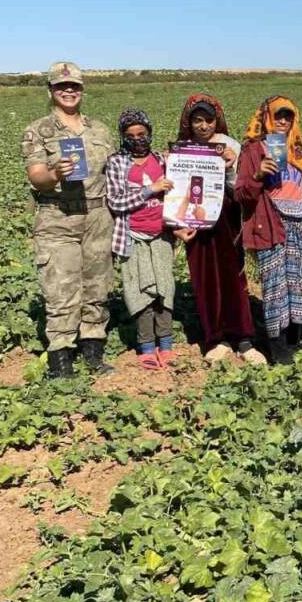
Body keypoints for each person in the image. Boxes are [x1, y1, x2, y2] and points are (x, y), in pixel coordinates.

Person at [21, 61, 116, 377]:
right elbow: (36, 176)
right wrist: (53, 173)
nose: (68, 91)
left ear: (82, 90)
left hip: (98, 214)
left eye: (74, 85)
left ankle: (93, 351)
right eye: (62, 86)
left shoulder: (99, 129)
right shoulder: (39, 130)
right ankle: (60, 360)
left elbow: (117, 171)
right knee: (61, 287)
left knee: (97, 286)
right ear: (51, 90)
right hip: (58, 215)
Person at [176, 94, 265, 364]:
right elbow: (177, 191)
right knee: (204, 279)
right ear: (188, 123)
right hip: (195, 221)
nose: (204, 126)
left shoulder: (230, 146)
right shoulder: (182, 149)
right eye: (197, 120)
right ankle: (217, 338)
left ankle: (244, 337)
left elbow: (242, 188)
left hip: (227, 217)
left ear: (218, 120)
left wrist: (229, 166)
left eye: (209, 120)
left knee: (233, 276)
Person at [237, 95, 302, 364]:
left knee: (295, 285)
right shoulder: (252, 150)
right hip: (269, 223)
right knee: (274, 288)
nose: (283, 121)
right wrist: (258, 176)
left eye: (288, 116)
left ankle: (293, 343)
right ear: (267, 117)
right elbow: (242, 195)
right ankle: (279, 350)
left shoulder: (299, 152)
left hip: (298, 225)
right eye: (278, 115)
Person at [104, 109, 177, 369]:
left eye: (142, 134)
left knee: (164, 288)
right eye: (131, 135)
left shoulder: (162, 159)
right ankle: (146, 345)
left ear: (149, 133)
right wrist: (150, 190)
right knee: (139, 292)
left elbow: (178, 193)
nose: (137, 140)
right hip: (131, 236)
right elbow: (114, 201)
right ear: (123, 137)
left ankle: (166, 344)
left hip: (161, 234)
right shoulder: (116, 163)